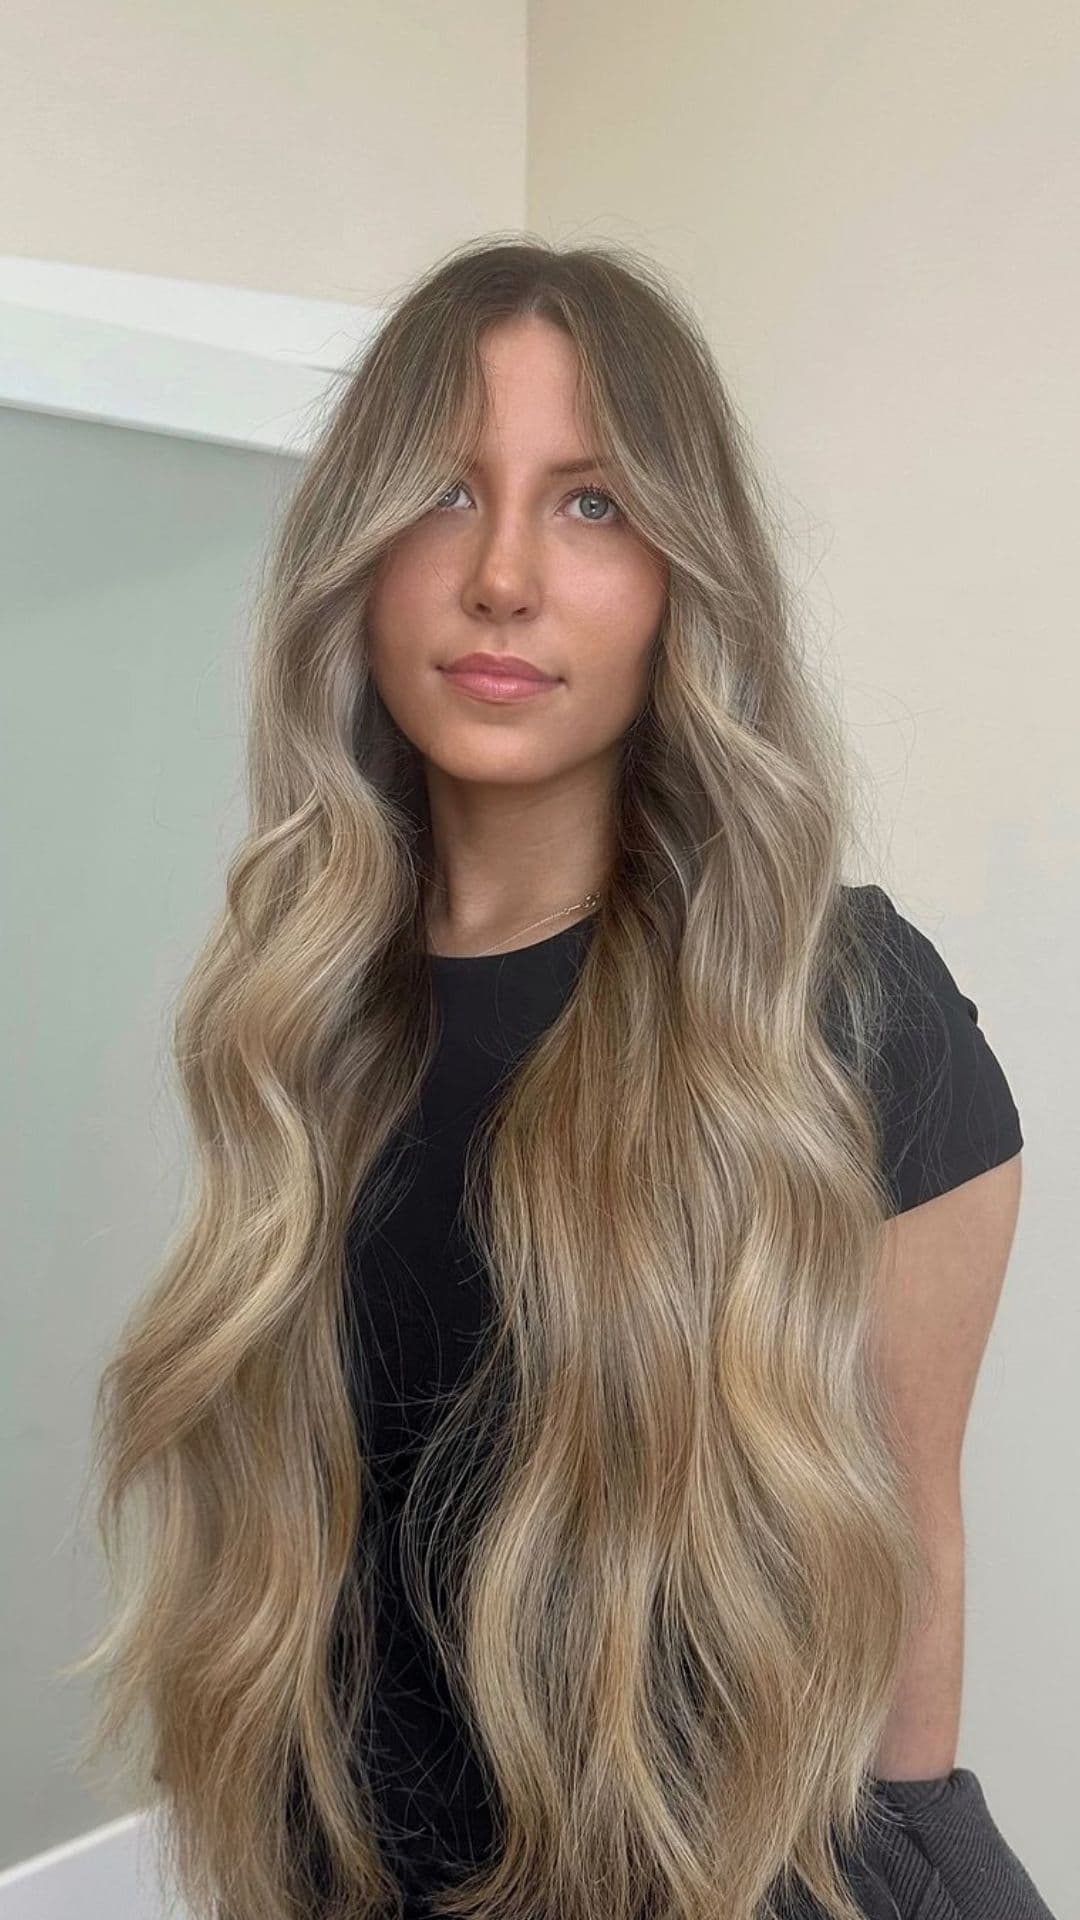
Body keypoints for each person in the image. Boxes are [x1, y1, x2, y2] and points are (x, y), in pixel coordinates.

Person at [67, 237, 1055, 1920]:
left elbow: (910, 1564)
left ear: (685, 573)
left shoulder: (838, 1013)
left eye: (591, 504)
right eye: (445, 496)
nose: (504, 576)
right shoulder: (298, 1013)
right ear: (357, 560)